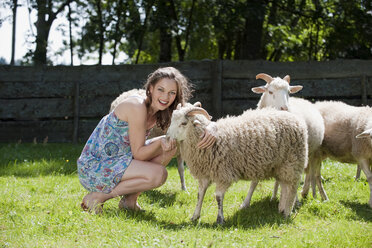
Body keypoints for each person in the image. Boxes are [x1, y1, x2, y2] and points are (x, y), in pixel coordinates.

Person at [77, 67, 216, 213]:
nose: (165, 97)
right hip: (95, 168)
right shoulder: (137, 106)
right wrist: (160, 140)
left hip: (120, 160)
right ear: (150, 88)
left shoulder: (163, 109)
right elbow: (139, 154)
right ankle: (98, 197)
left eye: (172, 93)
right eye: (160, 90)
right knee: (159, 174)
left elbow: (194, 113)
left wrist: (212, 127)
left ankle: (129, 202)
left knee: (171, 146)